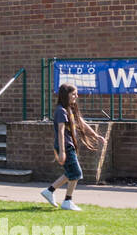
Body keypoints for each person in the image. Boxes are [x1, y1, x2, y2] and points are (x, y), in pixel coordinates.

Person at [42, 83, 106, 212]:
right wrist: (62, 152)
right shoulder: (61, 111)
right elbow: (60, 131)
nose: (76, 96)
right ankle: (67, 201)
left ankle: (49, 191)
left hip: (69, 145)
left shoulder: (69, 108)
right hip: (65, 146)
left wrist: (95, 135)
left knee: (71, 173)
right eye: (73, 94)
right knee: (76, 173)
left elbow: (81, 122)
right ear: (66, 95)